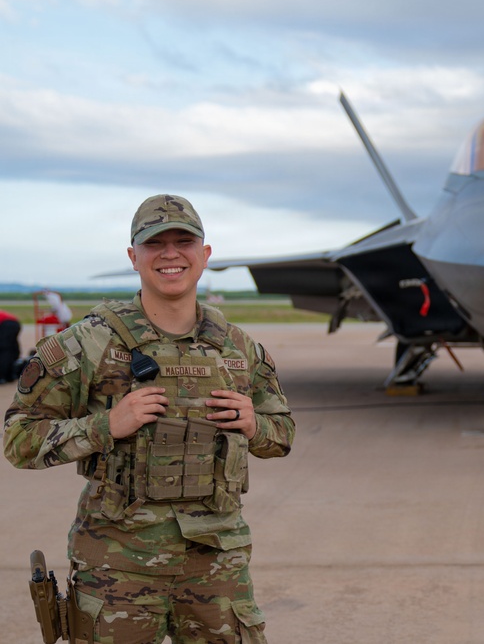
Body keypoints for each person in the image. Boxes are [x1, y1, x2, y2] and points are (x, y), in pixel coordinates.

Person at [4, 194, 295, 643]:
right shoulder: (87, 344)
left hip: (217, 563)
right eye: (155, 243)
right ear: (133, 257)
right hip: (117, 565)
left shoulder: (238, 348)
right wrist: (104, 426)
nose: (170, 254)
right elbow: (18, 439)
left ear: (205, 255)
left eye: (184, 242)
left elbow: (282, 435)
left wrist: (255, 425)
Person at [0, 308, 21, 383]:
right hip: (14, 323)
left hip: (6, 324)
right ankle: (10, 374)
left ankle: (2, 376)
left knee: (4, 350)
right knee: (12, 348)